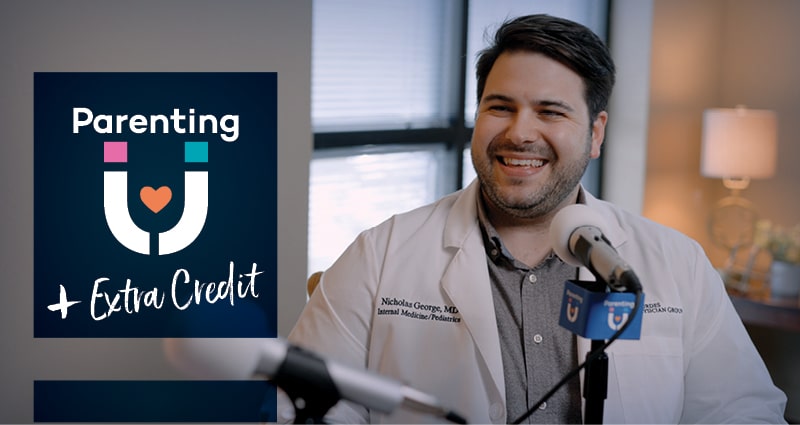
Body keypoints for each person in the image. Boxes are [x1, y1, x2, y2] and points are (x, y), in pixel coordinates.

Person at [278, 14, 787, 424]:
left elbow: (742, 410)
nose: (520, 133)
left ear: (595, 133)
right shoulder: (380, 255)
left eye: (550, 111)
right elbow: (295, 408)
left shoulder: (676, 264)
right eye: (500, 107)